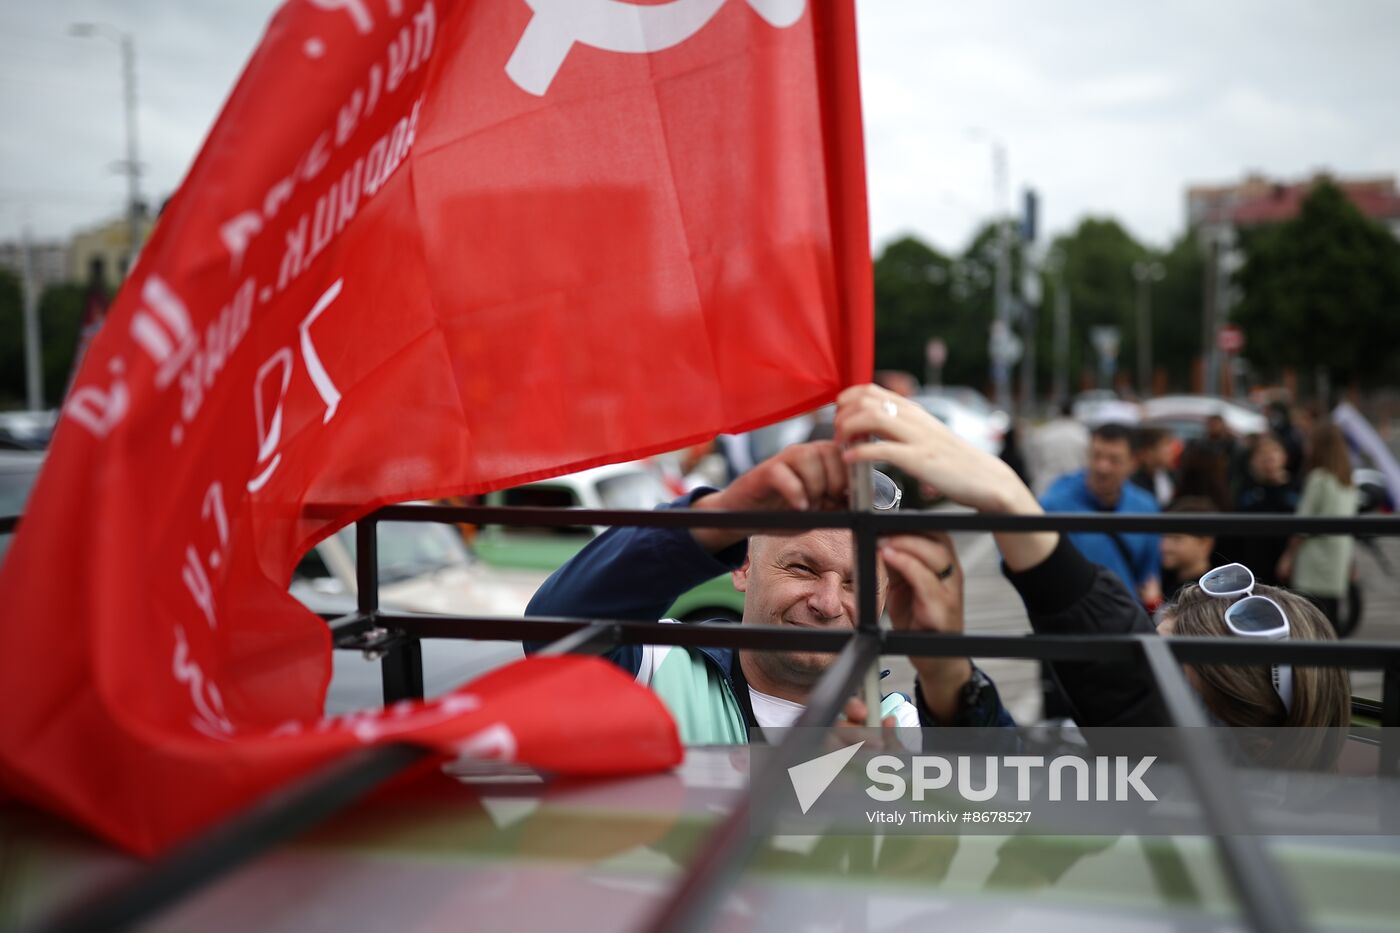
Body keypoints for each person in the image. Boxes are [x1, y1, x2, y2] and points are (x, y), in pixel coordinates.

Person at [834, 385, 1351, 754]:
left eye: (1163, 676)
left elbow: (1127, 698)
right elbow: (1013, 787)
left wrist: (1009, 501)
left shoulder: (1143, 508)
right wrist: (947, 671)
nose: (827, 598)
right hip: (1066, 645)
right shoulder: (1060, 497)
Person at [526, 440, 1012, 744]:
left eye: (856, 584)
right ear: (742, 565)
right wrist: (719, 516)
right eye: (802, 569)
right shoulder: (655, 662)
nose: (826, 603)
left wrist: (949, 673)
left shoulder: (897, 727)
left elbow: (1005, 819)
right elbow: (555, 625)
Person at [1040, 422, 1162, 610]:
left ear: (1134, 462)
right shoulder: (1054, 502)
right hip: (1069, 618)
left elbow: (1149, 575)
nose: (1102, 467)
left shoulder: (1146, 506)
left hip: (1125, 617)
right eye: (1096, 456)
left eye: (1114, 460)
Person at [1278, 421, 1359, 632]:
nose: (1306, 447)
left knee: (1309, 623)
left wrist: (1288, 557)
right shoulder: (1348, 481)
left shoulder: (1318, 478)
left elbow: (1303, 524)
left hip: (1314, 561)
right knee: (1329, 623)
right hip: (1337, 559)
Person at [1229, 432, 1299, 586]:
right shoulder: (1245, 489)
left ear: (1284, 456)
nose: (1268, 458)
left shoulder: (1296, 488)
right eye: (1262, 453)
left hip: (1287, 567)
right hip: (1253, 566)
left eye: (1274, 451)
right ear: (1253, 460)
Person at [1158, 497, 1219, 601]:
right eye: (1164, 537)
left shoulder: (1213, 594)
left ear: (1204, 543)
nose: (1164, 546)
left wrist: (1153, 604)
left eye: (1176, 538)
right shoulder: (1163, 581)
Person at [1026, 402, 1089, 496]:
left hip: (1045, 485)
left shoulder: (1043, 433)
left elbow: (1033, 463)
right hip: (1074, 487)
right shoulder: (1083, 435)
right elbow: (1086, 463)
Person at [1129, 425, 1176, 507]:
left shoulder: (1172, 475)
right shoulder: (1133, 483)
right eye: (1165, 444)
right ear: (1148, 452)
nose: (1170, 450)